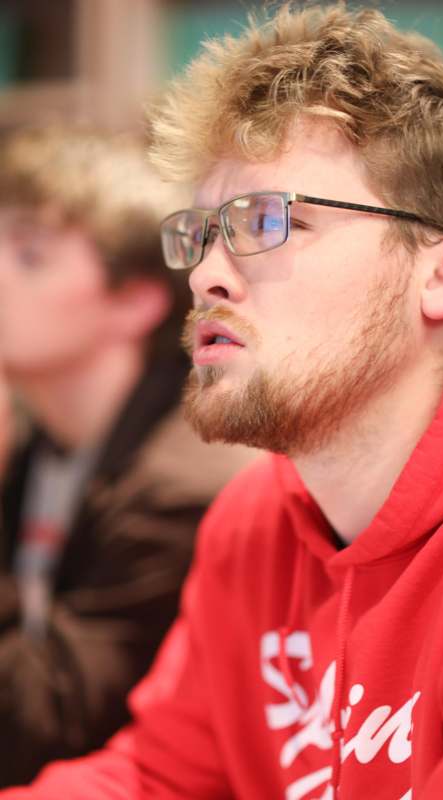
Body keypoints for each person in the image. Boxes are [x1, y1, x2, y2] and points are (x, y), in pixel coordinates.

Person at [2, 3, 443, 797]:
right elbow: (154, 777)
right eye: (203, 232)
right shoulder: (252, 524)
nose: (208, 275)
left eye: (265, 221)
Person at [0, 126, 254, 786]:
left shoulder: (186, 490)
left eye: (28, 255)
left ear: (135, 301)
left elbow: (48, 731)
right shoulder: (39, 441)